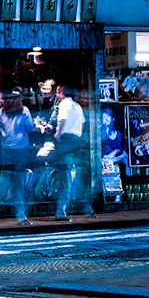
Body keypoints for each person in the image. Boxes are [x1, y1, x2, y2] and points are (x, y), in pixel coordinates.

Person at [51, 85, 93, 219]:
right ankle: (87, 208)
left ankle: (60, 210)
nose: (56, 95)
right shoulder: (77, 106)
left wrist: (58, 134)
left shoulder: (64, 104)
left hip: (65, 142)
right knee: (79, 177)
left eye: (57, 92)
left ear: (62, 93)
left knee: (65, 178)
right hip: (77, 141)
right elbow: (82, 124)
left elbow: (62, 120)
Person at [0, 89, 36, 225]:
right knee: (19, 180)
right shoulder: (24, 110)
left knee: (6, 174)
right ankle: (20, 214)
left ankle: (2, 199)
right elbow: (30, 127)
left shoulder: (2, 111)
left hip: (6, 147)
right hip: (20, 147)